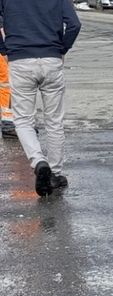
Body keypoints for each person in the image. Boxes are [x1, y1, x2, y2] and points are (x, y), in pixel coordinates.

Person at [0, 0, 81, 196]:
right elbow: (74, 24)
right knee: (54, 121)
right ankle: (54, 173)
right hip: (51, 59)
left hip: (20, 60)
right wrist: (62, 48)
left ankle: (38, 163)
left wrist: (4, 49)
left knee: (23, 120)